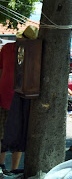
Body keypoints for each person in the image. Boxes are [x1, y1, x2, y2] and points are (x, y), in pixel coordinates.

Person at [0, 41, 22, 175]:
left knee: (14, 136)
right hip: (9, 98)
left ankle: (12, 168)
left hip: (18, 99)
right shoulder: (7, 48)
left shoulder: (8, 48)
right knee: (9, 135)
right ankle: (5, 166)